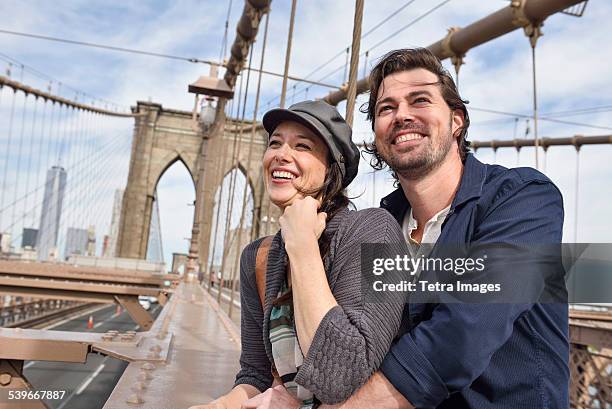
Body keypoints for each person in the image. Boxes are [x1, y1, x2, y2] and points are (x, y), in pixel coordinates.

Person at [248, 48, 569, 408]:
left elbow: (462, 335)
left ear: (456, 120)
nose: (402, 116)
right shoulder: (378, 227)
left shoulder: (522, 200)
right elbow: (351, 353)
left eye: (420, 100)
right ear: (376, 136)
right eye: (387, 108)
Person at [189, 100, 409, 409]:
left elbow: (340, 378)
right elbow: (256, 375)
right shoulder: (258, 258)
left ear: (333, 168)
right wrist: (223, 405)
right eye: (275, 143)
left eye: (302, 146)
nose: (281, 154)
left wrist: (303, 245)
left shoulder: (373, 233)